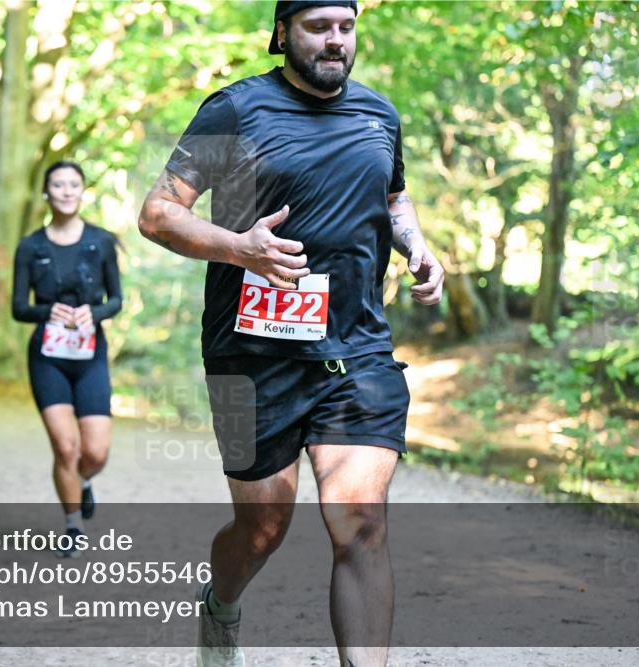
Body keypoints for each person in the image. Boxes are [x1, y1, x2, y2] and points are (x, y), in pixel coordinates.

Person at [138, 2, 444, 666]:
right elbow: (159, 213)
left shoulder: (379, 114)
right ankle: (220, 604)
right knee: (263, 527)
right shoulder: (236, 110)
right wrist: (238, 247)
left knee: (361, 523)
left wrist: (418, 247)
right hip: (250, 354)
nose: (335, 41)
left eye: (345, 27)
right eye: (317, 26)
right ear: (283, 33)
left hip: (356, 348)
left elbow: (394, 199)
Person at [12, 161, 123, 558]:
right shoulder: (30, 247)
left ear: (82, 191)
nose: (65, 191)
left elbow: (116, 300)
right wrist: (48, 312)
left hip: (90, 354)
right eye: (57, 184)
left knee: (94, 453)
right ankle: (73, 525)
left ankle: (85, 482)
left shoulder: (101, 242)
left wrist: (94, 313)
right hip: (48, 356)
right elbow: (17, 308)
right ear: (46, 192)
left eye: (73, 184)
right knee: (65, 447)